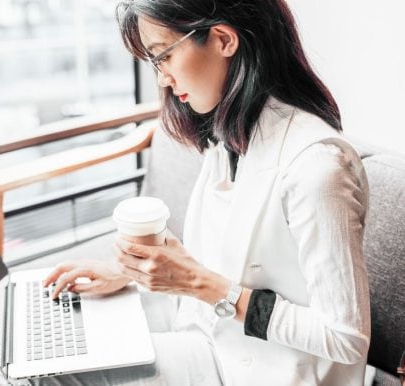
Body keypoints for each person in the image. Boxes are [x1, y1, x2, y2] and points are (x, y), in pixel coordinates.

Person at [39, 0, 371, 385]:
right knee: (36, 359)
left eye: (164, 56)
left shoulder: (316, 169)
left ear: (224, 39)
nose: (162, 79)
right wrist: (128, 274)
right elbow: (231, 259)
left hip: (268, 372)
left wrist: (199, 283)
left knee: (49, 372)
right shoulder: (230, 139)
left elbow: (347, 339)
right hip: (215, 347)